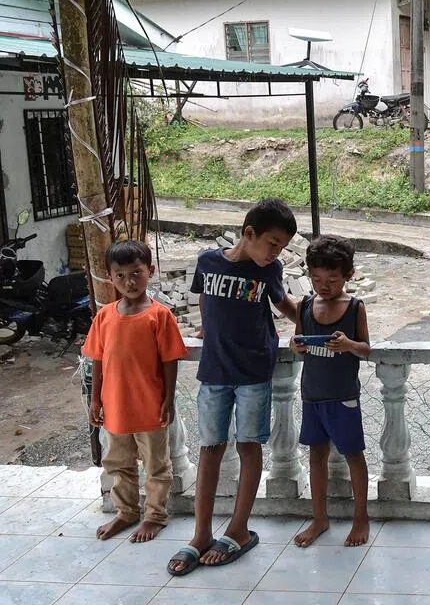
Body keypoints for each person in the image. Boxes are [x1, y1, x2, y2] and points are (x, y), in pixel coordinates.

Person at [167, 198, 299, 577]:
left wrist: (313, 326)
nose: (276, 252)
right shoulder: (207, 262)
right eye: (272, 243)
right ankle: (201, 535)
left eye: (282, 247)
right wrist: (207, 328)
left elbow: (285, 305)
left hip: (254, 371)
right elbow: (205, 298)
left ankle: (239, 529)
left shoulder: (269, 270)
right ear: (249, 233)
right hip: (214, 372)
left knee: (248, 445)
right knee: (209, 448)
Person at [86, 240, 187, 543]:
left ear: (150, 272)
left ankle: (155, 515)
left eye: (136, 273)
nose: (128, 282)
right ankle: (126, 511)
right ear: (110, 277)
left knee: (156, 465)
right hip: (115, 407)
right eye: (120, 275)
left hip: (150, 406)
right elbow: (97, 359)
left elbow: (169, 360)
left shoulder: (160, 316)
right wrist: (95, 399)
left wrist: (168, 399)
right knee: (118, 463)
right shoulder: (105, 316)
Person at [291, 236, 372, 548]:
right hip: (312, 394)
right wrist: (296, 346)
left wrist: (348, 345)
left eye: (332, 280)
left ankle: (361, 517)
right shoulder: (305, 306)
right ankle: (319, 518)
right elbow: (298, 341)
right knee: (316, 457)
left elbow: (366, 348)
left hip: (343, 396)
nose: (324, 286)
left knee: (354, 456)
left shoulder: (354, 307)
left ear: (348, 275)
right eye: (316, 279)